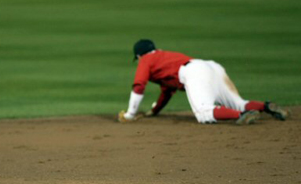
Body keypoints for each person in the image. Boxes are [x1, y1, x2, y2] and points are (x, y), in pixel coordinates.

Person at [118, 39, 289, 124]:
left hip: (194, 72)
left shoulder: (146, 59)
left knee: (203, 112)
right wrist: (154, 111)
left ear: (140, 55)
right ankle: (265, 106)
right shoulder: (164, 58)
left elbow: (139, 85)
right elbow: (167, 91)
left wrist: (130, 115)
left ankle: (242, 116)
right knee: (238, 102)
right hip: (211, 66)